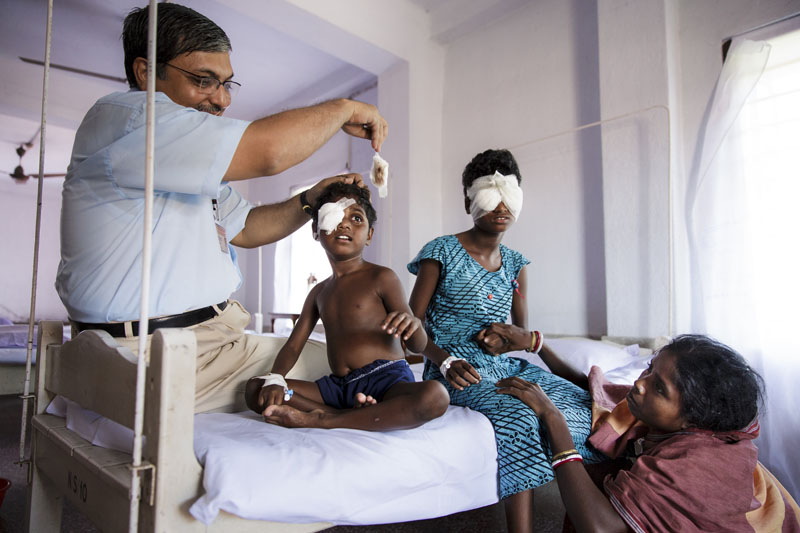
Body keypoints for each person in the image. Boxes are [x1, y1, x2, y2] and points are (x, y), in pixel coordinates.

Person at [55, 4, 388, 413]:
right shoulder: (133, 119)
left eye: (227, 84)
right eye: (204, 80)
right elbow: (269, 153)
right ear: (145, 72)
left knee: (363, 368)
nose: (222, 99)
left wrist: (310, 199)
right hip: (159, 354)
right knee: (369, 373)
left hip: (208, 345)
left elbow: (246, 227)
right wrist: (345, 109)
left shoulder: (183, 162)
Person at [407, 148, 606, 533]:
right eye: (489, 196)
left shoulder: (516, 263)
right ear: (469, 200)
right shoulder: (441, 252)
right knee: (518, 416)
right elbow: (411, 327)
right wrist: (444, 359)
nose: (502, 206)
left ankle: (593, 513)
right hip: (457, 370)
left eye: (509, 196)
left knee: (586, 403)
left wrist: (509, 341)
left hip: (507, 365)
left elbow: (520, 336)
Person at [497, 334, 800, 532]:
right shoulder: (673, 417)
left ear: (692, 419)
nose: (640, 383)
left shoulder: (696, 465)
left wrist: (554, 421)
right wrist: (537, 344)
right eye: (651, 368)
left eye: (659, 387)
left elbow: (600, 528)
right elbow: (595, 393)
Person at [244, 182, 449, 430]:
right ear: (316, 231)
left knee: (435, 396)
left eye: (356, 218)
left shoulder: (382, 277)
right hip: (339, 389)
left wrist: (414, 324)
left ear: (370, 234)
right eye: (334, 216)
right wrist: (277, 378)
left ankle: (324, 419)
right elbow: (293, 345)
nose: (344, 224)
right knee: (257, 388)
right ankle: (345, 414)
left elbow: (417, 345)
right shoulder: (318, 292)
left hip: (387, 382)